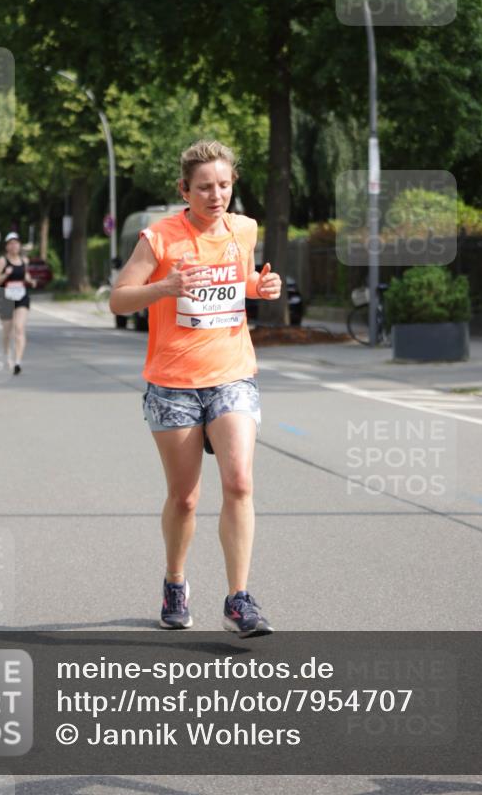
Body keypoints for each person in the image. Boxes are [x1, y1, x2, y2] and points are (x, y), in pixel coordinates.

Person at [110, 139, 282, 637]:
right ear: (184, 190)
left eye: (224, 185)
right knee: (185, 498)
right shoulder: (159, 237)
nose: (216, 195)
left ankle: (238, 600)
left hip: (232, 372)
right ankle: (175, 581)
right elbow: (119, 300)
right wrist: (163, 287)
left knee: (240, 482)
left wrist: (259, 287)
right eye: (205, 187)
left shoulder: (244, 229)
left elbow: (240, 280)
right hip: (173, 384)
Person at [0, 232, 36, 374]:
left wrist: (31, 281)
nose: (14, 245)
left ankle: (18, 361)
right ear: (6, 246)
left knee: (19, 328)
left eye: (16, 242)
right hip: (5, 298)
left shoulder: (24, 260)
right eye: (10, 243)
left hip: (22, 297)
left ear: (19, 245)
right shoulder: (2, 261)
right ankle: (6, 356)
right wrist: (6, 274)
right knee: (7, 331)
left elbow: (26, 275)